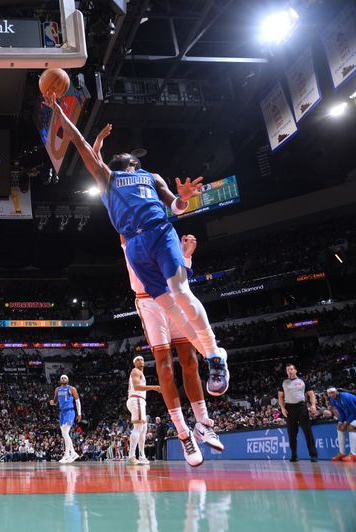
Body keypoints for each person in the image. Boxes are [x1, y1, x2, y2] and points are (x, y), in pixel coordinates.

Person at [45, 104, 229, 396]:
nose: (119, 154)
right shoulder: (108, 178)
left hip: (160, 231)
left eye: (123, 154)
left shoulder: (152, 176)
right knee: (167, 304)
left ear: (133, 162)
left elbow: (175, 207)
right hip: (134, 244)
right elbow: (80, 144)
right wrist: (58, 111)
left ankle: (215, 356)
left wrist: (183, 200)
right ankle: (213, 354)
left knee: (180, 293)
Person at [120, 230, 223, 466]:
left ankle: (203, 423)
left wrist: (186, 256)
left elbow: (180, 275)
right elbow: (119, 222)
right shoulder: (129, 230)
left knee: (191, 361)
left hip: (175, 296)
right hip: (149, 302)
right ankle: (184, 434)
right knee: (165, 368)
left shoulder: (164, 233)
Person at [278, 364, 318, 462]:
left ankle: (313, 455)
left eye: (291, 369)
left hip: (301, 407)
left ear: (295, 370)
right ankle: (294, 455)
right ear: (286, 372)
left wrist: (313, 405)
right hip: (289, 409)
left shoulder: (303, 381)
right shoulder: (283, 382)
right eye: (288, 370)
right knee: (292, 434)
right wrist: (282, 408)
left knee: (307, 432)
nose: (290, 371)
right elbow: (280, 397)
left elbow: (311, 394)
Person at [126, 356, 162, 465]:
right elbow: (137, 387)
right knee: (138, 427)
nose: (141, 361)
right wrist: (154, 387)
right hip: (136, 398)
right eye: (138, 360)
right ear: (134, 363)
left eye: (142, 359)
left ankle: (142, 455)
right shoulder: (135, 371)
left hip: (139, 400)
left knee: (144, 428)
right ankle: (132, 455)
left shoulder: (141, 373)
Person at [49, 374, 82, 463]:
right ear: (60, 380)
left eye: (65, 378)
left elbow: (77, 401)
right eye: (62, 378)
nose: (63, 379)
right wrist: (52, 403)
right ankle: (74, 453)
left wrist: (79, 414)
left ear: (67, 380)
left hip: (70, 411)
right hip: (62, 412)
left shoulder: (72, 389)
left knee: (65, 432)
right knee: (64, 434)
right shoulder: (57, 389)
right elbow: (55, 402)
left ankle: (67, 454)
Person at [326, 387, 356, 462]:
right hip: (352, 416)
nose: (331, 394)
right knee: (339, 428)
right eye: (330, 393)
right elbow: (342, 413)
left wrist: (345, 424)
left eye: (333, 392)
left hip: (354, 415)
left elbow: (354, 413)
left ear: (336, 391)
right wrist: (340, 422)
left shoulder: (346, 397)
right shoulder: (333, 400)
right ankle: (342, 453)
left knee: (350, 427)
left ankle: (353, 455)